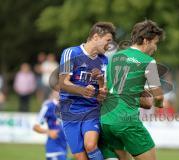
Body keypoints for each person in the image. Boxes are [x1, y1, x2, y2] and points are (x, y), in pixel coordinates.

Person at [100, 20, 165, 160]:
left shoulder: (115, 57)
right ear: (146, 41)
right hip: (127, 122)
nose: (155, 48)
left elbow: (112, 89)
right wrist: (158, 105)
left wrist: (139, 99)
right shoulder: (148, 61)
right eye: (155, 43)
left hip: (106, 120)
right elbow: (158, 97)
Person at [58, 21, 116, 160]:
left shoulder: (104, 60)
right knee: (80, 157)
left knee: (90, 145)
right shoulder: (71, 53)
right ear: (96, 37)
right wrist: (82, 90)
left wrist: (102, 85)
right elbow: (62, 83)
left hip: (91, 109)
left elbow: (102, 93)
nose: (109, 46)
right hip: (70, 111)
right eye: (107, 41)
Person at [33, 90, 67, 160]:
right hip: (53, 147)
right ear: (52, 92)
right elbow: (35, 127)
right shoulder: (48, 106)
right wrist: (49, 132)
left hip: (64, 146)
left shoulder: (67, 107)